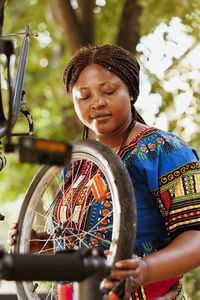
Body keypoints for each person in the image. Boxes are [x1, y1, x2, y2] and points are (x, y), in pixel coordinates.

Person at [8, 44, 200, 300]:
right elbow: (85, 244)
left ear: (131, 92)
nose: (97, 102)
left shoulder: (165, 151)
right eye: (84, 96)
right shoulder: (76, 162)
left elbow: (196, 236)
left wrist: (145, 269)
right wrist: (40, 245)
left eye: (108, 91)